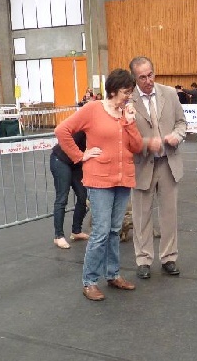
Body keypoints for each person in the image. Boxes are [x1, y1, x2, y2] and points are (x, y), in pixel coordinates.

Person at [54, 69, 143, 302]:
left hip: (123, 179)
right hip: (100, 178)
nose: (128, 97)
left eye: (130, 93)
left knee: (115, 229)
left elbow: (136, 146)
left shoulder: (126, 113)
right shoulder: (92, 109)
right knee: (101, 232)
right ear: (113, 90)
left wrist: (131, 122)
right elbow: (61, 130)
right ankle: (90, 281)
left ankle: (113, 275)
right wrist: (79, 155)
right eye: (125, 92)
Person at [129, 56, 187, 279]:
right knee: (141, 216)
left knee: (169, 215)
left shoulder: (170, 94)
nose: (148, 80)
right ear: (135, 78)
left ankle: (169, 257)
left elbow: (182, 122)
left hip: (168, 164)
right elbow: (125, 136)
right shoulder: (128, 100)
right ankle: (143, 259)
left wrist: (177, 136)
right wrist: (146, 144)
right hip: (142, 164)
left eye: (150, 74)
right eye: (142, 77)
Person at [50, 131, 89, 250]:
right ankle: (58, 236)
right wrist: (80, 155)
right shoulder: (84, 129)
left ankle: (76, 231)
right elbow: (64, 137)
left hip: (76, 163)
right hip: (61, 159)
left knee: (83, 196)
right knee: (62, 197)